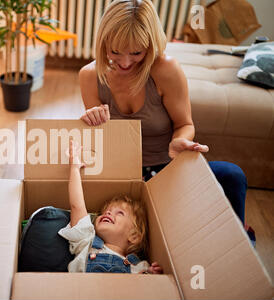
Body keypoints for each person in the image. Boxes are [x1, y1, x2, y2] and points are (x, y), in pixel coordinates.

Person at [78, 0, 248, 226]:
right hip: (119, 173)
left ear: (150, 44)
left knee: (232, 175)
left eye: (136, 52)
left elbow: (185, 124)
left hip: (164, 168)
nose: (125, 62)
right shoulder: (89, 76)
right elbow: (98, 144)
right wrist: (92, 124)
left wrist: (179, 141)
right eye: (115, 52)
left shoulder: (166, 69)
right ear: (103, 43)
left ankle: (240, 240)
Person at [57, 140, 163, 274]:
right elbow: (76, 205)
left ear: (134, 235)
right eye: (106, 211)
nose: (107, 213)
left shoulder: (139, 266)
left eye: (119, 213)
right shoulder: (86, 241)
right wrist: (74, 168)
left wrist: (151, 275)